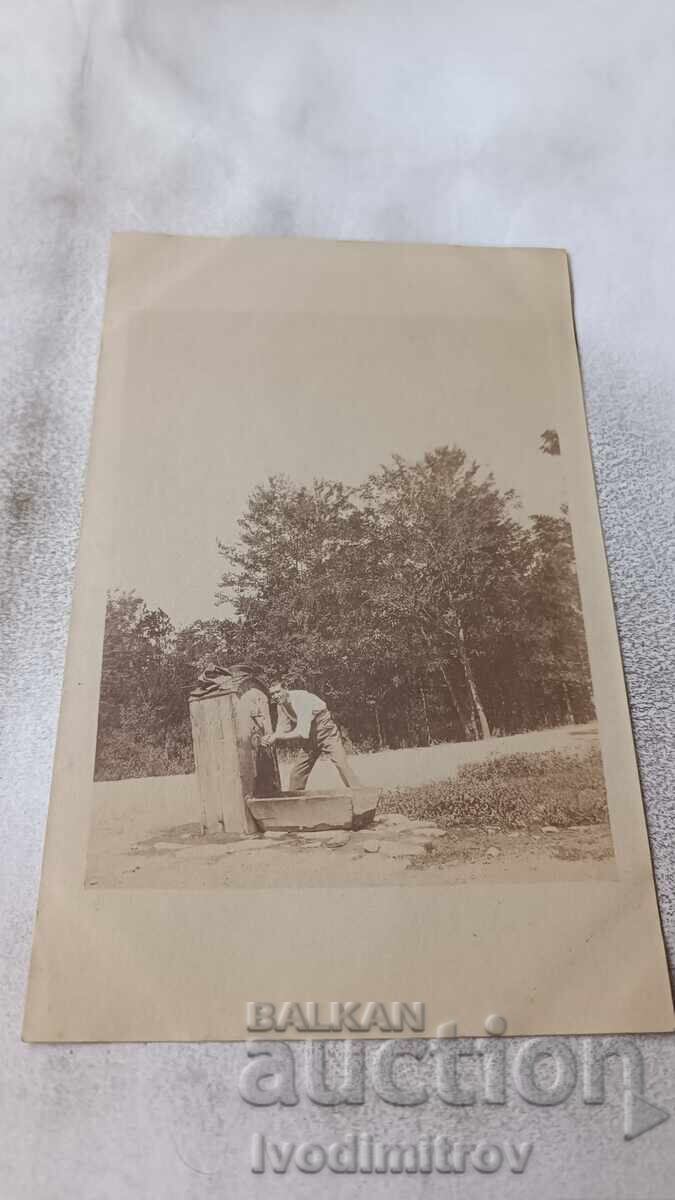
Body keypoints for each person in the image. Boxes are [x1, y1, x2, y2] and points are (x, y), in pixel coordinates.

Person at [262, 681, 360, 792]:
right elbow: (282, 727)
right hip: (309, 739)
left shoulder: (301, 699)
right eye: (273, 694)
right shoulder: (281, 705)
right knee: (296, 775)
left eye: (278, 692)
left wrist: (277, 737)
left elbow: (302, 732)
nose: (275, 696)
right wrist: (271, 737)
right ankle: (294, 804)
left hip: (326, 733)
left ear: (286, 688)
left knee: (342, 765)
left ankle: (361, 798)